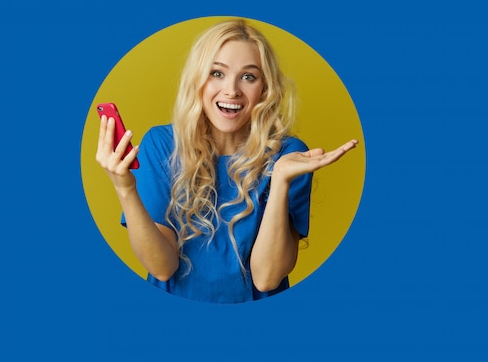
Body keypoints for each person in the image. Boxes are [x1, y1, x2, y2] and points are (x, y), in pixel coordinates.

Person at [95, 19, 358, 303]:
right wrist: (125, 188)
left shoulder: (289, 155)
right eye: (217, 73)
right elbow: (162, 268)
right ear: (198, 80)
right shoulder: (161, 145)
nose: (231, 90)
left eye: (248, 77)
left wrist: (281, 180)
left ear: (265, 89)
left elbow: (267, 278)